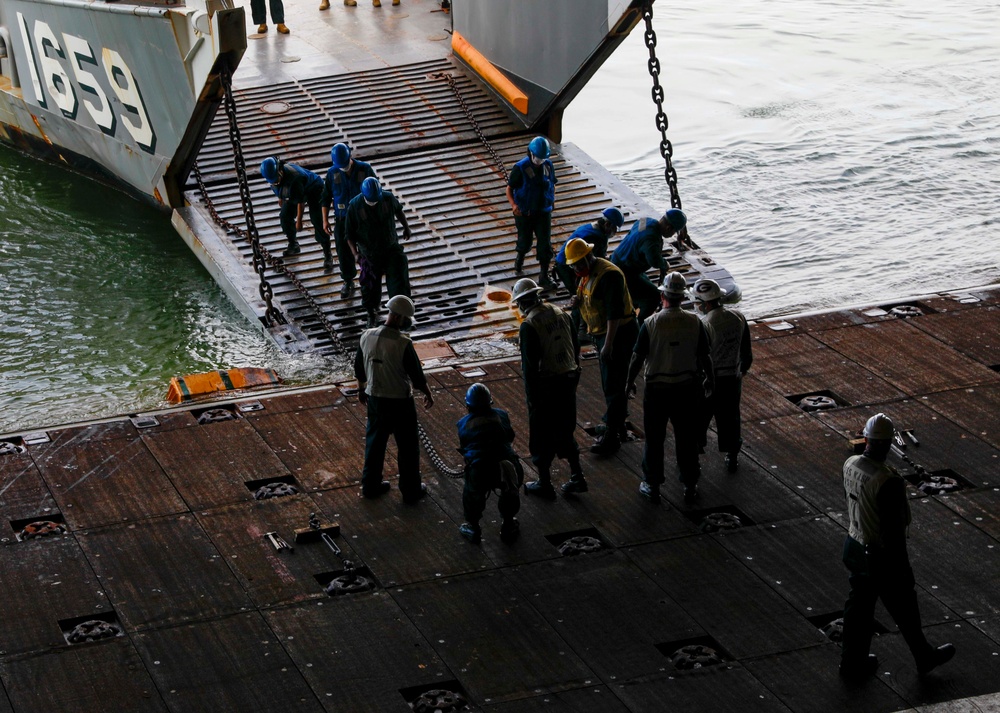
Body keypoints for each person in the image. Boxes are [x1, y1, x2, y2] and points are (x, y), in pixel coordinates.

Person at [839, 413, 955, 681]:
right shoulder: (887, 481)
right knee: (904, 605)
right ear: (889, 442)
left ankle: (852, 662)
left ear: (866, 438)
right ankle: (923, 655)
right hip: (879, 554)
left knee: (859, 607)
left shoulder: (850, 464)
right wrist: (903, 567)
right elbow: (893, 532)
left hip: (854, 544)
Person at [626, 272, 713, 503]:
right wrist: (710, 380)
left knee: (654, 439)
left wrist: (628, 383)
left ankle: (652, 484)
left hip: (657, 389)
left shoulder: (650, 323)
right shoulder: (695, 321)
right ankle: (690, 484)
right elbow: (705, 356)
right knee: (687, 437)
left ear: (662, 295)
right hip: (687, 388)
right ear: (682, 297)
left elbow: (637, 357)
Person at [354, 295, 433, 503]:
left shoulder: (366, 336)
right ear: (399, 318)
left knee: (375, 444)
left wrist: (361, 389)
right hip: (399, 401)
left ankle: (370, 486)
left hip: (375, 399)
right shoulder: (402, 343)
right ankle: (410, 490)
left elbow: (359, 368)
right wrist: (427, 392)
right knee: (407, 447)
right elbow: (416, 375)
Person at [565, 237, 639, 457]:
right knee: (614, 381)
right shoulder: (586, 274)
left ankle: (612, 435)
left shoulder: (609, 275)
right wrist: (575, 303)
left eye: (579, 263)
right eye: (574, 265)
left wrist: (608, 345)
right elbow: (588, 298)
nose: (576, 268)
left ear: (589, 256)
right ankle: (617, 422)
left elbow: (614, 312)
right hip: (601, 334)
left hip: (618, 334)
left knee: (613, 384)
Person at [512, 278, 585, 496]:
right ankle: (577, 476)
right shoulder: (559, 312)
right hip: (568, 379)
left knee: (541, 435)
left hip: (546, 386)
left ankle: (545, 482)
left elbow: (530, 368)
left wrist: (532, 399)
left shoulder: (529, 325)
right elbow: (576, 343)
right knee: (565, 429)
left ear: (522, 303)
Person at [693, 278, 753, 473]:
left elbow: (699, 356)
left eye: (696, 301)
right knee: (730, 418)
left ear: (705, 303)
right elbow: (747, 352)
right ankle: (732, 455)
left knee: (699, 418)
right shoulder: (738, 317)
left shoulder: (704, 324)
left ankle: (694, 453)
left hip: (710, 380)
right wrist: (741, 370)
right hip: (732, 378)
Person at [456, 383, 522, 544]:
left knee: (472, 494)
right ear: (490, 402)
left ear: (468, 405)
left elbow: (465, 445)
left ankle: (473, 527)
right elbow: (510, 436)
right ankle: (508, 524)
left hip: (480, 467)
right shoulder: (502, 415)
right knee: (510, 489)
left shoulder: (463, 424)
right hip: (505, 464)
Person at [345, 177, 413, 327]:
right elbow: (349, 235)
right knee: (370, 287)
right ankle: (371, 313)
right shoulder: (354, 206)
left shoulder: (387, 198)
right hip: (369, 254)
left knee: (399, 282)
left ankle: (402, 314)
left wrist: (406, 227)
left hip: (391, 249)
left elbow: (399, 211)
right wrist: (355, 254)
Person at [553, 207, 625, 336]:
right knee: (579, 296)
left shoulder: (593, 228)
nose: (614, 232)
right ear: (607, 224)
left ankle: (578, 330)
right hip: (567, 266)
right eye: (614, 229)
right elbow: (593, 262)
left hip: (567, 262)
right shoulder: (594, 237)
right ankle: (577, 332)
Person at [321, 143, 377, 297]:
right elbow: (325, 198)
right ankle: (348, 280)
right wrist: (325, 221)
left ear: (350, 157)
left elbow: (376, 192)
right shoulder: (332, 173)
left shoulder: (365, 169)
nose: (344, 167)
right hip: (342, 218)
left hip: (363, 218)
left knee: (367, 249)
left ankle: (370, 282)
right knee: (342, 249)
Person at [611, 209, 687, 321]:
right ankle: (640, 326)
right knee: (653, 296)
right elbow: (654, 261)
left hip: (618, 260)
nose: (672, 235)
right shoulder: (651, 238)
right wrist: (665, 264)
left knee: (645, 282)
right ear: (668, 228)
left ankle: (631, 305)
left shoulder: (646, 220)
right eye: (674, 232)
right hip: (623, 272)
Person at [260, 157, 332, 266]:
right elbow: (279, 187)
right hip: (295, 192)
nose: (275, 182)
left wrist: (299, 221)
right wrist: (281, 198)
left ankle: (328, 254)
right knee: (285, 216)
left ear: (280, 170)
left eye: (276, 179)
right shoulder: (274, 178)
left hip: (315, 189)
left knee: (317, 219)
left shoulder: (295, 178)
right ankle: (293, 244)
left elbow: (300, 202)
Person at [506, 136, 557, 287]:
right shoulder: (520, 168)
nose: (539, 161)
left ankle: (543, 276)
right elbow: (509, 188)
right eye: (537, 158)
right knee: (525, 240)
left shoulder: (548, 165)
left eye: (542, 158)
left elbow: (552, 184)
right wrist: (513, 205)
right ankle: (520, 257)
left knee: (544, 243)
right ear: (530, 153)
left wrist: (552, 200)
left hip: (543, 212)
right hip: (525, 213)